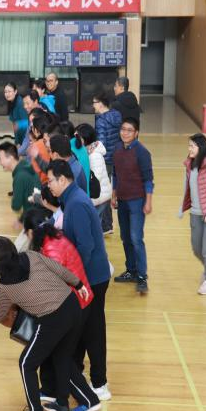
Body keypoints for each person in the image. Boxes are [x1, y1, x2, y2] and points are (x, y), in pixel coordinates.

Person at [0, 236, 90, 411]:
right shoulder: (31, 255)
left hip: (53, 319)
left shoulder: (3, 288)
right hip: (72, 305)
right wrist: (78, 284)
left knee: (26, 363)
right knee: (62, 357)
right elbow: (59, 269)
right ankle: (64, 403)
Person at [46, 160, 112, 401]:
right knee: (81, 328)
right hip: (85, 277)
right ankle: (76, 375)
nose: (48, 185)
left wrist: (73, 279)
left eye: (50, 181)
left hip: (92, 278)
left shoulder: (77, 204)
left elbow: (86, 246)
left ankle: (100, 383)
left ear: (63, 180)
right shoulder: (70, 200)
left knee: (93, 330)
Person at [23, 215, 101, 411]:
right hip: (74, 302)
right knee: (58, 354)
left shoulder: (51, 250)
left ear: (31, 232)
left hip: (73, 305)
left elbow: (52, 284)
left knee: (62, 356)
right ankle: (60, 400)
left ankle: (89, 400)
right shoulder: (52, 239)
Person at [112, 117, 153, 294]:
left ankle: (142, 276)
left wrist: (148, 201)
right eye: (123, 129)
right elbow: (115, 174)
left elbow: (148, 179)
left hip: (137, 200)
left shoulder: (142, 152)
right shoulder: (117, 149)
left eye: (129, 130)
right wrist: (114, 195)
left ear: (136, 133)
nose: (125, 133)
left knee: (136, 238)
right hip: (122, 200)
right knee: (126, 237)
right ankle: (131, 271)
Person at [179, 133, 206, 295]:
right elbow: (187, 188)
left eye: (192, 146)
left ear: (201, 147)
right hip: (195, 213)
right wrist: (182, 208)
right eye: (189, 145)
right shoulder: (190, 165)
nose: (189, 149)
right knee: (196, 248)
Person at [93, 91, 121, 234]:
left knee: (103, 191)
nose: (93, 106)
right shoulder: (117, 116)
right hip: (117, 156)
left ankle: (105, 225)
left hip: (106, 159)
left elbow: (101, 142)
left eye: (94, 103)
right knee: (110, 189)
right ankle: (107, 224)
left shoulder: (101, 121)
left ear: (101, 104)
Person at [76, 124, 113, 220]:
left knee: (93, 223)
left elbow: (95, 179)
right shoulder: (87, 152)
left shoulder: (94, 156)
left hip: (99, 197)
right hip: (97, 196)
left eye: (77, 137)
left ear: (85, 139)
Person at [0, 142, 41, 219]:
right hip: (37, 213)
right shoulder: (25, 165)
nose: (0, 163)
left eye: (0, 159)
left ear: (11, 158)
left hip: (34, 218)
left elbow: (16, 206)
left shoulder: (19, 176)